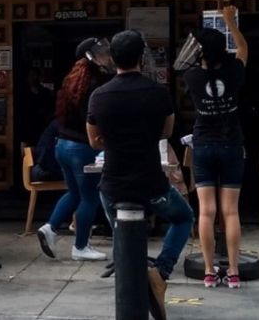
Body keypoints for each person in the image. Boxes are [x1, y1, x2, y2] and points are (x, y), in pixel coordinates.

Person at [87, 30, 194, 319]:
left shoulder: (99, 96)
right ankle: (160, 272)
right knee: (184, 217)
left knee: (122, 237)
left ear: (112, 59)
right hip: (151, 184)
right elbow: (167, 132)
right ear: (141, 57)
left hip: (112, 185)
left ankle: (130, 295)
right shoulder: (158, 92)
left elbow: (93, 140)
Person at [182, 5, 247, 288]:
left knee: (205, 211)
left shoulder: (191, 77)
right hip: (232, 144)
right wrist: (230, 22)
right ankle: (233, 271)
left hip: (204, 145)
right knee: (230, 212)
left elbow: (189, 60)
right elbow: (243, 48)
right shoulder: (234, 71)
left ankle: (209, 271)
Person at [37, 37, 114, 262]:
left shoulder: (71, 81)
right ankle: (80, 246)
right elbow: (92, 120)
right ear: (92, 57)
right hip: (82, 147)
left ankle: (50, 228)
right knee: (89, 198)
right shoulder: (94, 86)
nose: (106, 57)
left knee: (74, 192)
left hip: (62, 145)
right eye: (102, 54)